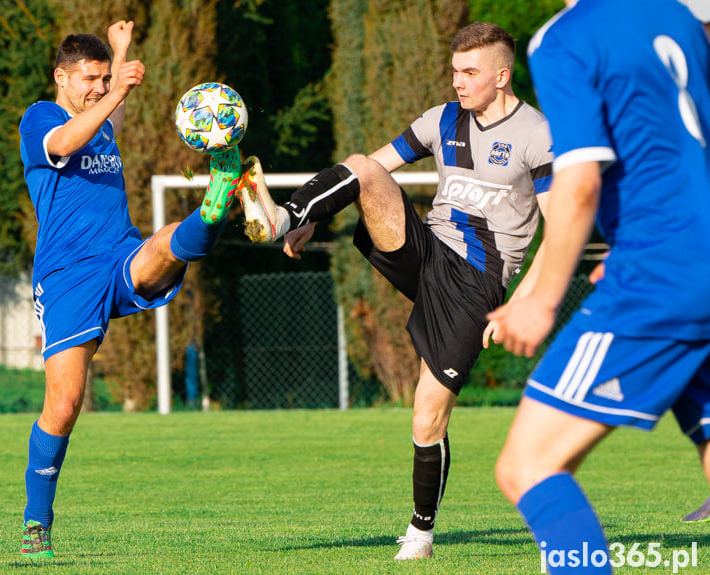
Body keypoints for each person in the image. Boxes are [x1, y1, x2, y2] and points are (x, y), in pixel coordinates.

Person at [239, 21, 553, 559]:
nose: (457, 81)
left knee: (427, 414)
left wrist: (524, 301)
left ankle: (421, 534)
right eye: (454, 70)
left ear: (502, 75)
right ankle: (282, 216)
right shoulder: (440, 119)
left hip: (477, 285)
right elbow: (371, 170)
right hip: (427, 251)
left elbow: (561, 226)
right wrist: (313, 216)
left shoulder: (538, 134)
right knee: (361, 165)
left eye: (470, 72)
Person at [488, 0, 710, 572]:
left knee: (528, 466)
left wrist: (541, 301)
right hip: (691, 253)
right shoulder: (678, 18)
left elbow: (580, 183)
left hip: (662, 274)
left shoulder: (566, 37)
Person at [17, 21, 240, 557]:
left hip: (120, 255)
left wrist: (119, 52)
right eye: (87, 79)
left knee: (166, 242)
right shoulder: (40, 118)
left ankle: (215, 202)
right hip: (67, 277)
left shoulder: (103, 117)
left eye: (102, 79)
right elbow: (68, 140)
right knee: (65, 405)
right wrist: (117, 83)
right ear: (61, 77)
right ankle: (35, 521)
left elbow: (107, 115)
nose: (97, 87)